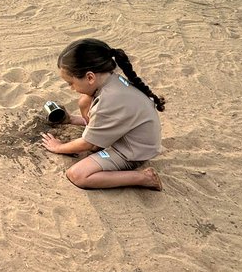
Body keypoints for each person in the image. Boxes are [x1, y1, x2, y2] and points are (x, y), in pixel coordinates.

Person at [41, 38, 164, 191]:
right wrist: (71, 119)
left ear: (90, 77)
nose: (71, 88)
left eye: (71, 83)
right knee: (84, 100)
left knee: (78, 174)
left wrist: (59, 147)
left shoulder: (108, 101)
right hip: (131, 135)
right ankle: (97, 137)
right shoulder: (111, 79)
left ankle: (144, 178)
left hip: (133, 151)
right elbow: (109, 118)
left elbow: (87, 144)